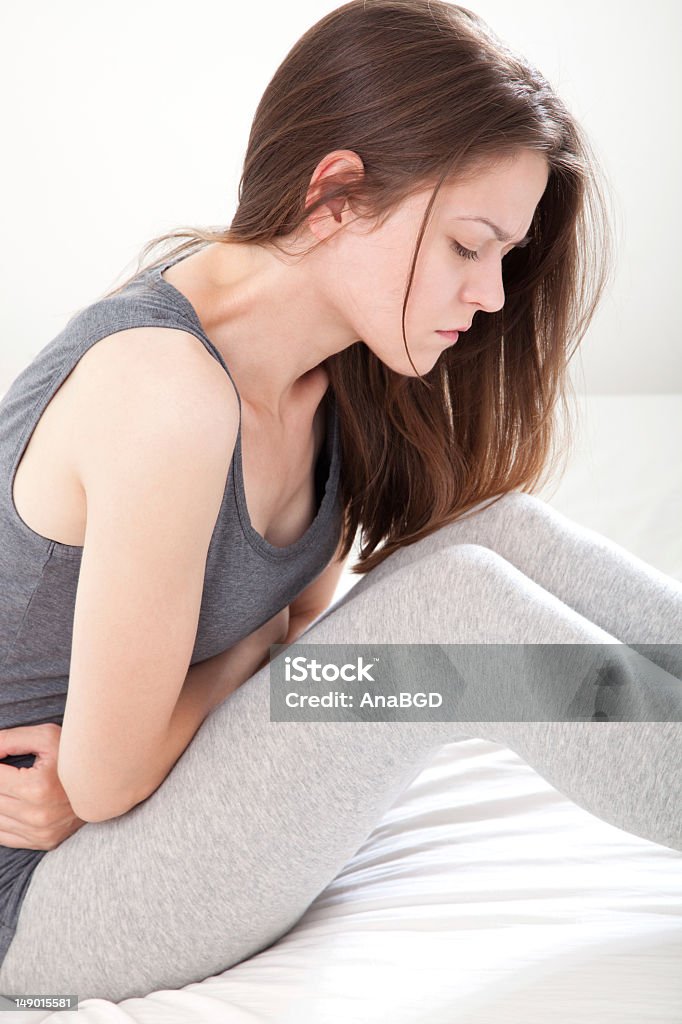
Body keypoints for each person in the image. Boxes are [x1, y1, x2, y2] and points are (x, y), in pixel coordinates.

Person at [0, 0, 680, 1002]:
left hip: (135, 807)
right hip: (48, 886)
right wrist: (257, 643)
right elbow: (103, 780)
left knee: (494, 533)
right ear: (337, 192)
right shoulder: (165, 389)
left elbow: (299, 629)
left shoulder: (328, 379)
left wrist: (269, 640)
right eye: (466, 245)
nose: (492, 294)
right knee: (450, 612)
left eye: (504, 256)